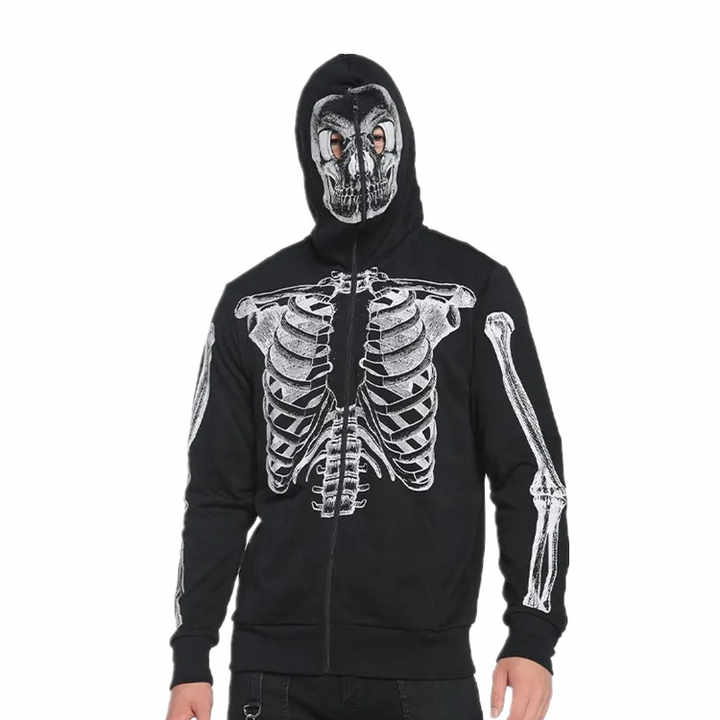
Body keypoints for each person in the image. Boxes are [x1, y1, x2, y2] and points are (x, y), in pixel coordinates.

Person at [166, 53, 568, 720]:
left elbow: (526, 469)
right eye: (336, 145)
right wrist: (191, 656)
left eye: (376, 138)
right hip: (275, 672)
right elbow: (216, 492)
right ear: (311, 156)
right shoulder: (249, 301)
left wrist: (532, 634)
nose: (358, 164)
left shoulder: (475, 289)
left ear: (402, 142)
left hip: (425, 671)